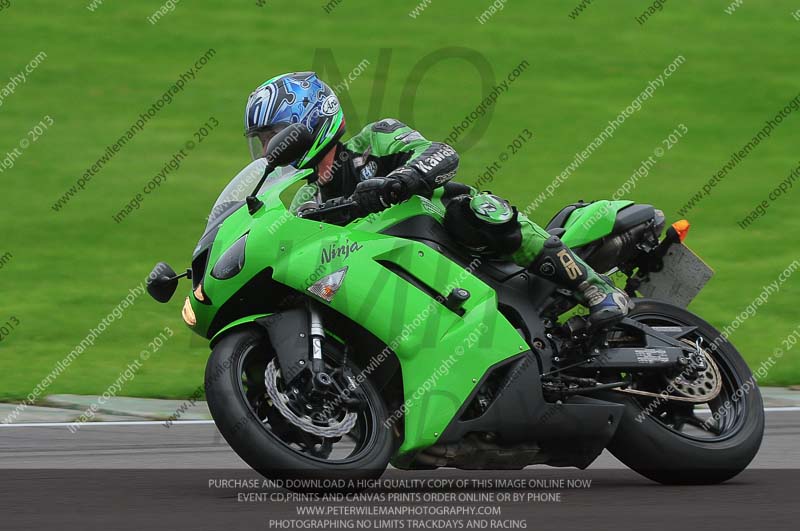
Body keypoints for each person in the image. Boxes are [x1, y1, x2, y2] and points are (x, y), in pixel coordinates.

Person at [244, 72, 630, 326]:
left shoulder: (376, 139)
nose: (270, 150)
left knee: (471, 209)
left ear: (310, 123)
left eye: (275, 136)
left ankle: (595, 288)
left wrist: (401, 180)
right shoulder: (306, 200)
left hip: (449, 236)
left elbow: (441, 154)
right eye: (263, 142)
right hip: (395, 275)